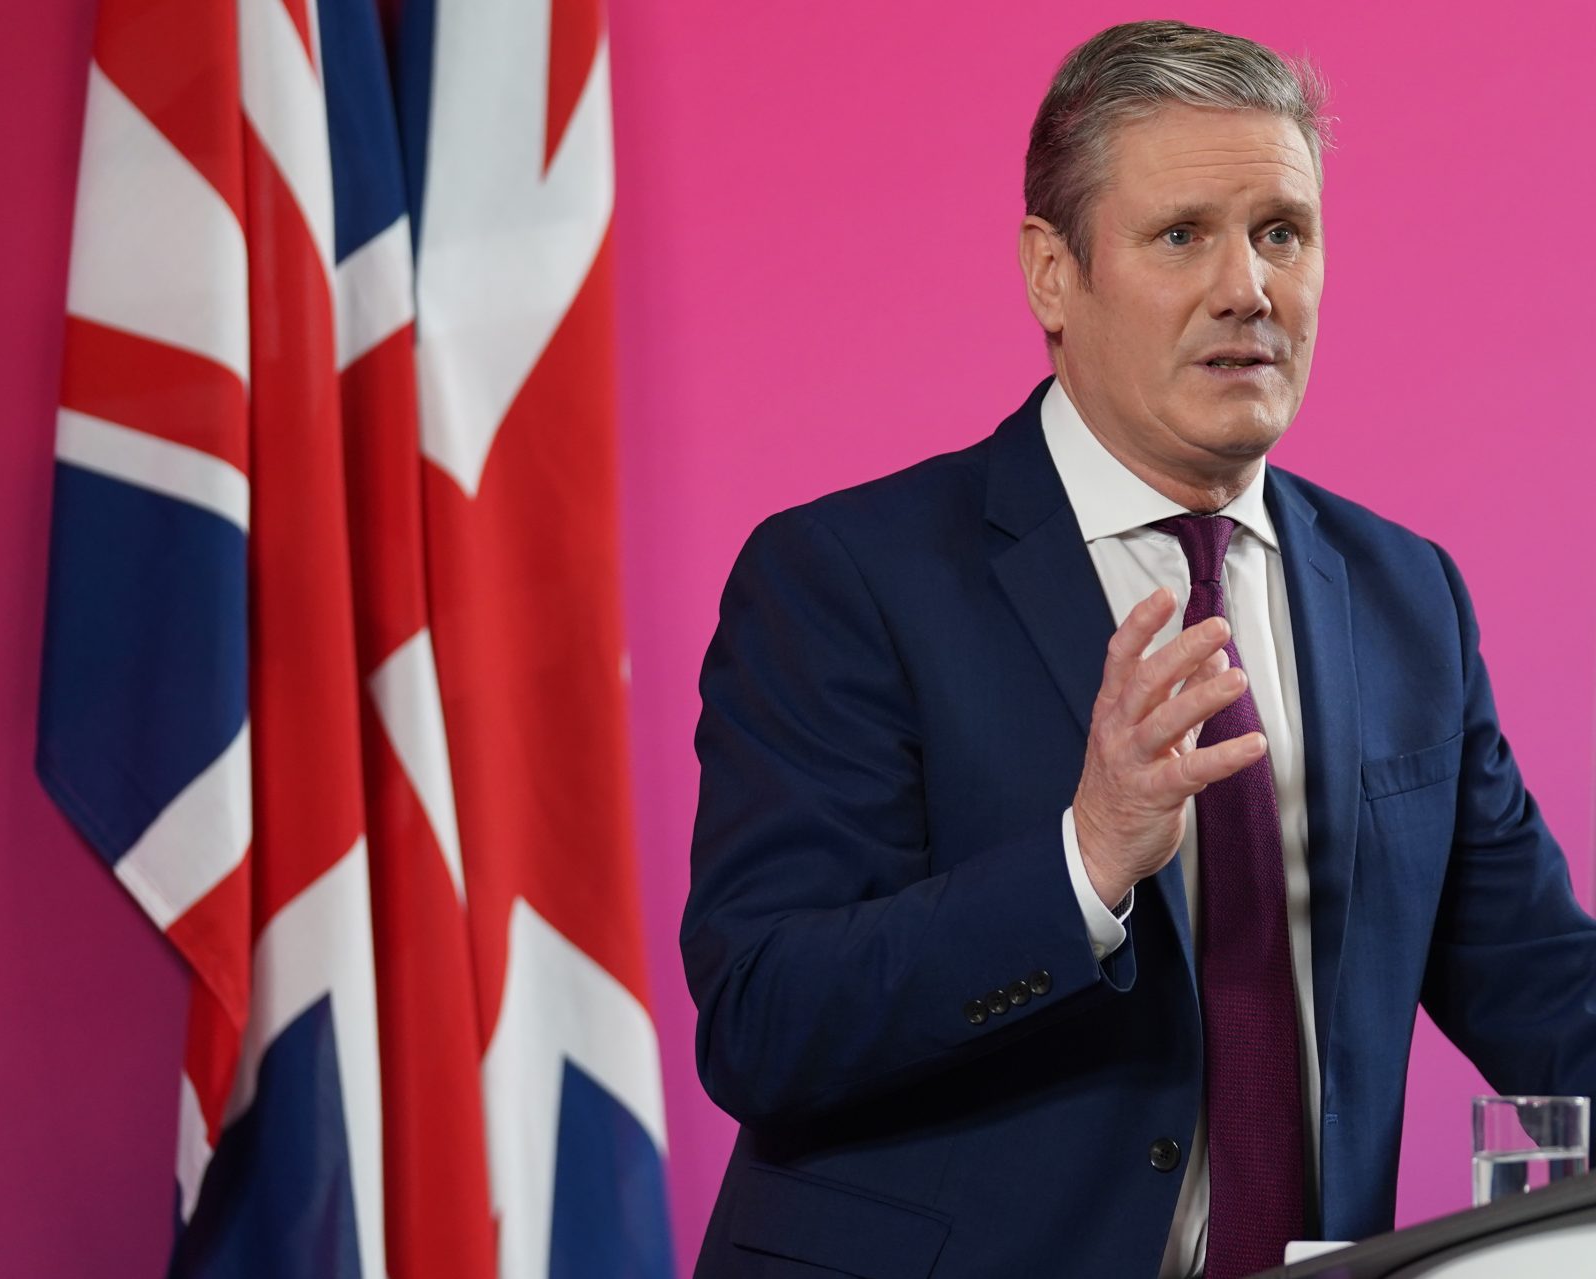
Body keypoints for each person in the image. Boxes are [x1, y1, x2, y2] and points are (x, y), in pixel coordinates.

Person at [680, 19, 1596, 1279]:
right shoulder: (844, 578)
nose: (1248, 288)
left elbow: (1546, 991)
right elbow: (762, 1019)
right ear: (1054, 274)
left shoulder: (1404, 595)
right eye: (1183, 235)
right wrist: (1084, 863)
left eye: (1282, 230)